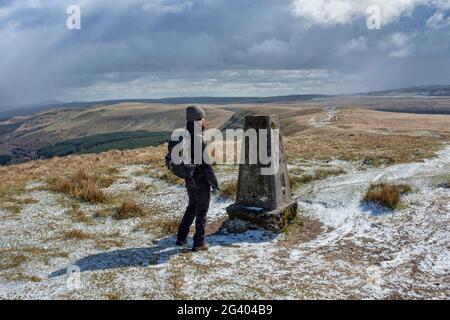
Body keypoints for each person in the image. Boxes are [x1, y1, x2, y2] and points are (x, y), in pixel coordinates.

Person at [176, 105, 219, 252]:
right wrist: (215, 184)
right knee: (202, 210)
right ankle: (199, 242)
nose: (205, 120)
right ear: (198, 121)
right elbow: (206, 166)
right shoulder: (198, 138)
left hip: (189, 178)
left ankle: (181, 238)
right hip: (200, 180)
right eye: (202, 118)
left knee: (192, 207)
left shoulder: (185, 135)